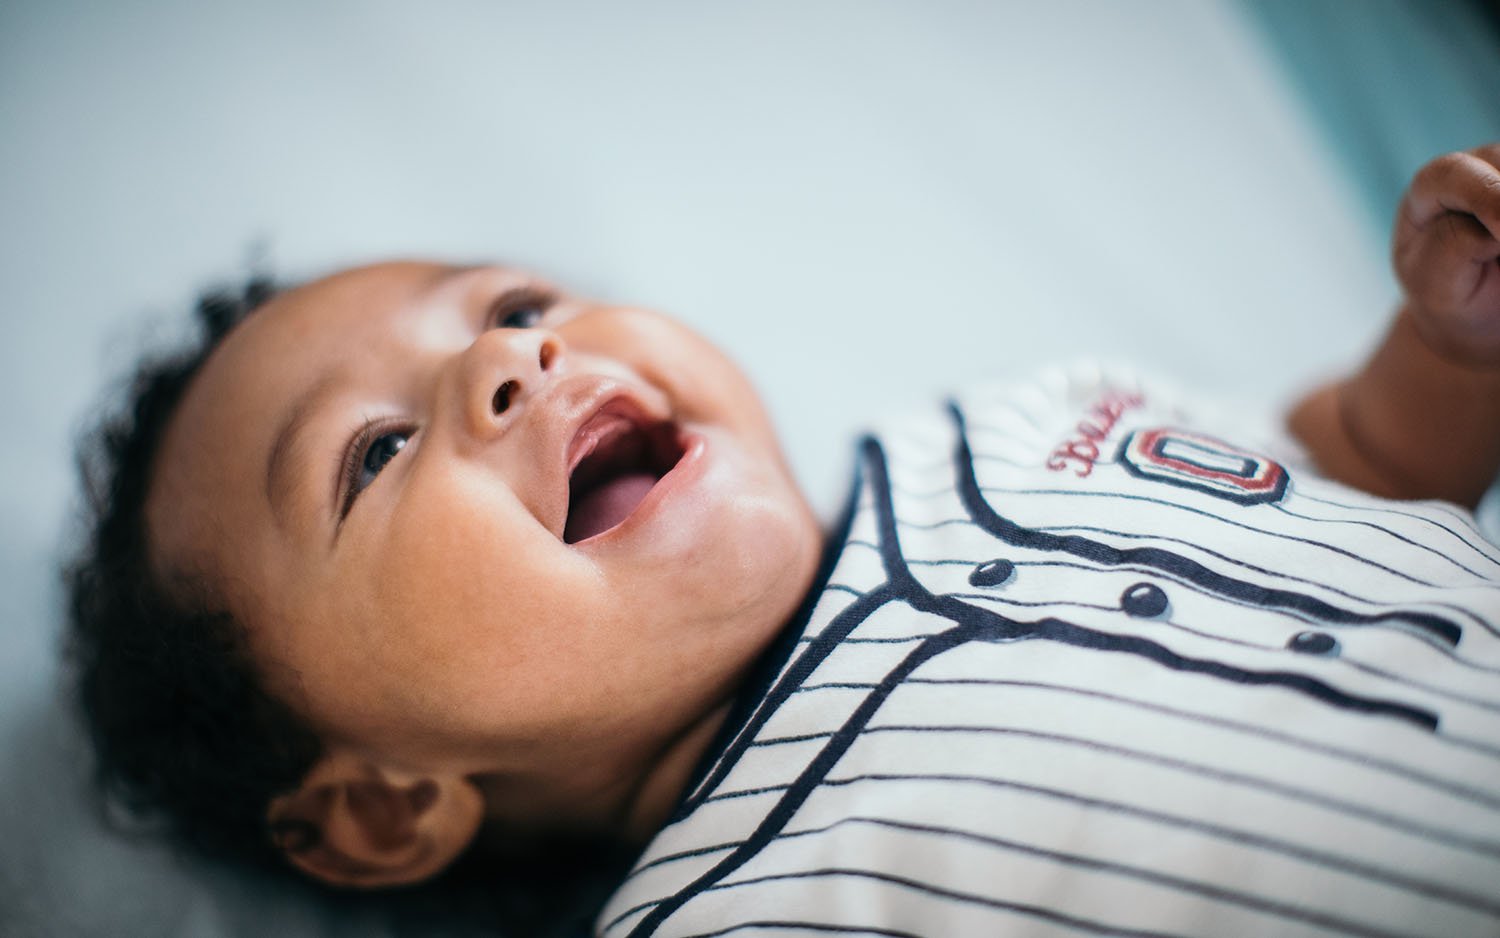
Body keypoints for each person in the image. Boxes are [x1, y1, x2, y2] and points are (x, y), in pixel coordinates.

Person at [67, 145, 1500, 936]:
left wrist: (1450, 351)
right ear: (385, 809)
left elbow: (1359, 464)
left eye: (511, 307)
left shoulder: (1013, 420)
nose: (508, 365)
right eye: (373, 454)